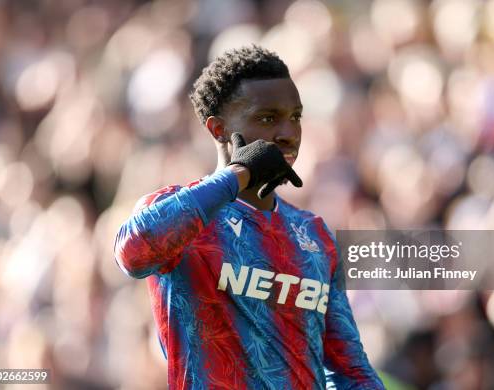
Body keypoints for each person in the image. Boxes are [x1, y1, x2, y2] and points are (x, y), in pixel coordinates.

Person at [114, 45, 385, 390]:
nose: (289, 132)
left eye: (296, 117)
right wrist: (238, 174)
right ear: (218, 129)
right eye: (268, 118)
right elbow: (133, 252)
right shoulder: (178, 213)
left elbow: (351, 372)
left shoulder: (313, 234)